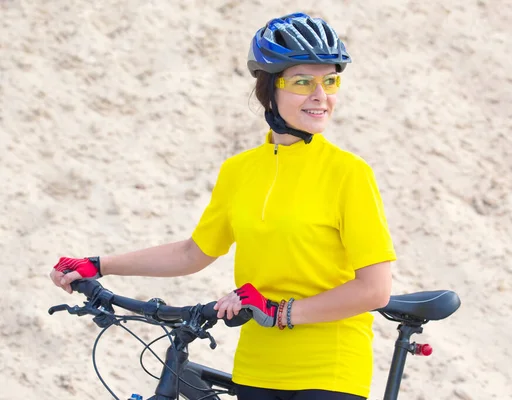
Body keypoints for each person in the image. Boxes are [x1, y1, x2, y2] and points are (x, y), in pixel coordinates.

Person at [50, 12, 397, 400]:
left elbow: (375, 290)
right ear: (270, 88)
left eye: (330, 80)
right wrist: (99, 264)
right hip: (256, 366)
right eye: (303, 81)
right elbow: (192, 252)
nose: (321, 95)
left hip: (330, 369)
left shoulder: (349, 173)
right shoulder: (239, 171)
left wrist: (280, 311)